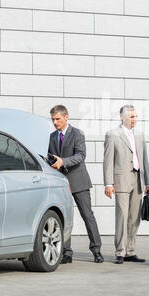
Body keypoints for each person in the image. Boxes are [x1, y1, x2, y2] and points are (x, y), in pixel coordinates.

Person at [48, 105, 104, 264]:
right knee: (63, 217)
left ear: (66, 117)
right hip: (60, 183)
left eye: (57, 119)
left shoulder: (78, 134)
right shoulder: (51, 137)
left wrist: (62, 161)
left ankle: (96, 250)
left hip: (78, 181)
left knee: (87, 216)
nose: (55, 122)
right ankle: (66, 253)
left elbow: (80, 156)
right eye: (52, 119)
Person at [103, 105, 149, 264]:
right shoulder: (113, 135)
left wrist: (148, 182)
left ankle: (130, 251)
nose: (134, 119)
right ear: (122, 117)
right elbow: (108, 160)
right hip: (121, 180)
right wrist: (108, 183)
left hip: (138, 179)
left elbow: (144, 159)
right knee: (122, 216)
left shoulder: (140, 134)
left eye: (136, 116)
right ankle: (120, 251)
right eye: (131, 117)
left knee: (134, 217)